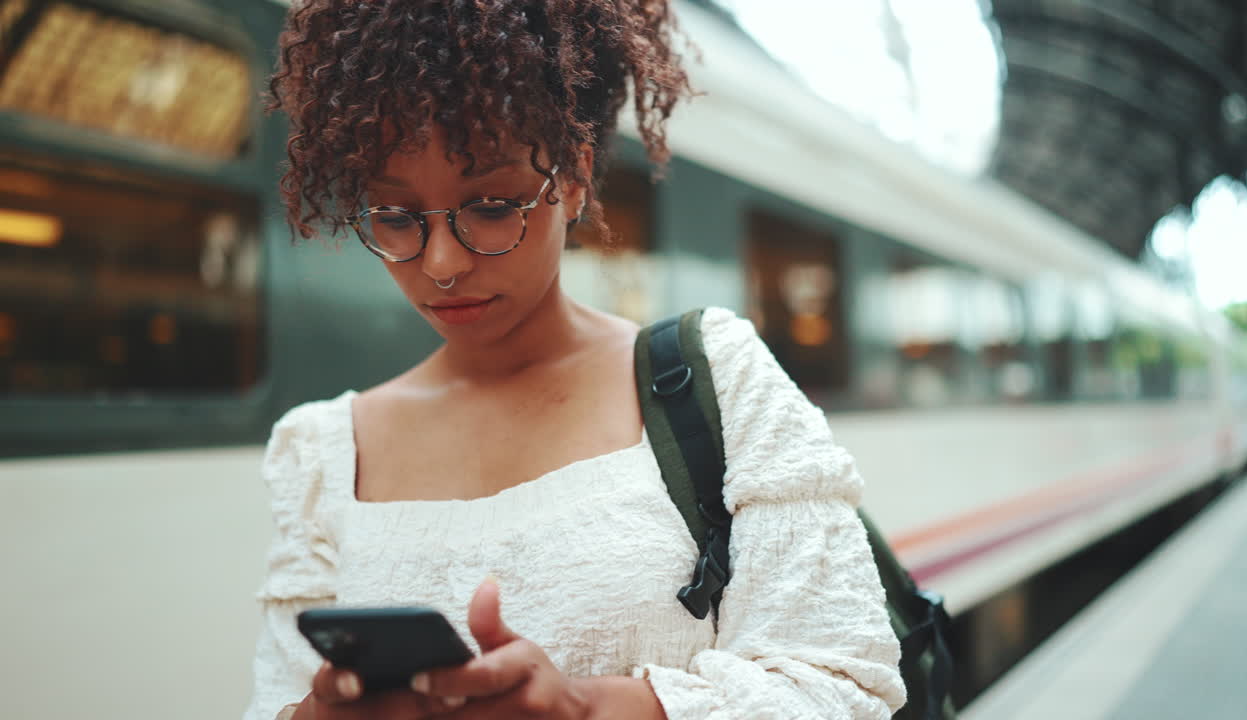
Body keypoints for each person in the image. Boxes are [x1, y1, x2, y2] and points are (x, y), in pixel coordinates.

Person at [243, 1, 906, 718]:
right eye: (396, 217)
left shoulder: (714, 378)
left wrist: (588, 709)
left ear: (574, 178)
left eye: (492, 206)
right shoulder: (321, 454)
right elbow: (275, 701)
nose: (441, 264)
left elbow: (844, 685)